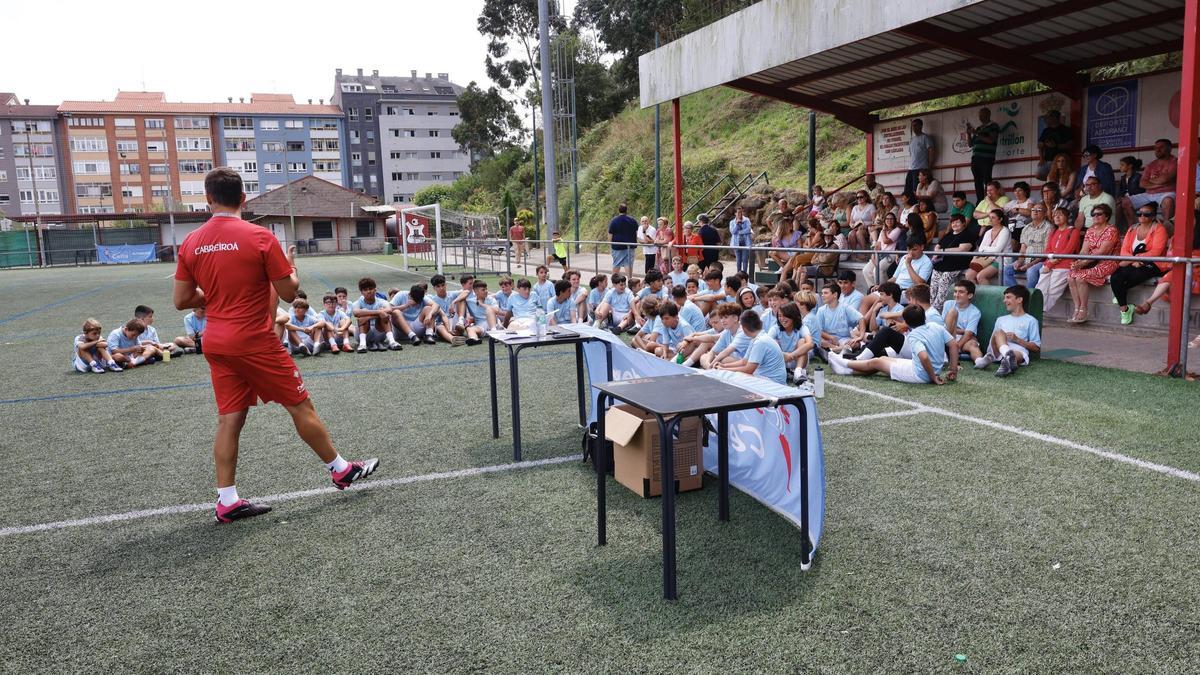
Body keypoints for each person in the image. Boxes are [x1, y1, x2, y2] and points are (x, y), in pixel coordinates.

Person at [173, 167, 377, 523]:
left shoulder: (192, 242)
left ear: (208, 200)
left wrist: (218, 294)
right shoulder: (260, 237)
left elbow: (182, 299)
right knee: (301, 406)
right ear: (243, 199)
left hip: (217, 342)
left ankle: (227, 500)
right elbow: (287, 291)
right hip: (253, 339)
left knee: (229, 420)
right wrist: (292, 270)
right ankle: (340, 469)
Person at [828, 305, 958, 385]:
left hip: (920, 374)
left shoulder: (914, 335)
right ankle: (846, 370)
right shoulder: (935, 326)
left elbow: (923, 357)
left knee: (876, 363)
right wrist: (953, 369)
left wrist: (933, 377)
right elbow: (953, 345)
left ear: (906, 322)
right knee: (882, 360)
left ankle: (844, 363)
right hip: (924, 369)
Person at [1110, 202, 1169, 325]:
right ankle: (1125, 308)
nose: (1142, 216)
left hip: (1155, 263)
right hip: (1132, 261)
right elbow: (1124, 250)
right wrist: (1135, 260)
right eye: (1139, 213)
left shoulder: (1159, 229)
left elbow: (1156, 252)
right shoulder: (1132, 228)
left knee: (1135, 276)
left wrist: (1138, 259)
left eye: (1146, 214)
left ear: (1153, 216)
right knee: (1115, 277)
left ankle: (1119, 293)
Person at [1067, 203, 1120, 323]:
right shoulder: (1090, 230)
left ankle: (1084, 309)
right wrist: (1079, 262)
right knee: (1071, 276)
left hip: (1109, 261)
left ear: (1106, 216)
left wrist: (1083, 262)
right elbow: (1084, 250)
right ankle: (1077, 307)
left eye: (1099, 214)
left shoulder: (1111, 230)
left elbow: (1102, 252)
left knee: (1080, 278)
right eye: (1093, 214)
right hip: (1091, 261)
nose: (1095, 216)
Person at [974, 285, 1041, 377]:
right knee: (999, 332)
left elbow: (1036, 348)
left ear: (1019, 300)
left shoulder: (1031, 321)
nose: (1004, 301)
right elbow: (993, 341)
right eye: (1004, 298)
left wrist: (1017, 340)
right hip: (996, 351)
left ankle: (1007, 363)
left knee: (1016, 354)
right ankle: (1008, 356)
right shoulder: (1001, 319)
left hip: (1018, 352)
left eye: (1008, 297)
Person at [716, 310, 787, 385]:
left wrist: (724, 370)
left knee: (734, 377)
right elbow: (744, 362)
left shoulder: (760, 341)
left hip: (773, 382)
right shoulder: (756, 338)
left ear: (745, 328)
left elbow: (749, 370)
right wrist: (724, 366)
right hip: (766, 378)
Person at [1035, 206, 1083, 311]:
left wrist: (1050, 264)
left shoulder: (1073, 231)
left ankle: (1040, 312)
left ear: (1067, 217)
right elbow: (1047, 250)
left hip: (1064, 265)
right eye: (1055, 215)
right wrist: (1049, 263)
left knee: (1053, 291)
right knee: (1040, 288)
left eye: (1060, 215)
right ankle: (1037, 311)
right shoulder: (1053, 231)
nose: (1057, 217)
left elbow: (1068, 251)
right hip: (1049, 264)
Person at [1126, 138, 1178, 226]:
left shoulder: (1175, 162)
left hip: (1167, 193)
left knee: (1168, 202)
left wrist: (1151, 182)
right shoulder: (1151, 165)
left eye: (1161, 147)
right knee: (1126, 202)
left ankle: (1166, 229)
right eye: (1156, 148)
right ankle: (1133, 228)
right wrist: (1161, 183)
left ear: (1169, 148)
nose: (1158, 150)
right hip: (1149, 194)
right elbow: (1142, 183)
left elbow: (1165, 179)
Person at [929, 214, 975, 310]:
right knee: (934, 282)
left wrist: (942, 251)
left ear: (963, 223)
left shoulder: (968, 234)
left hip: (958, 263)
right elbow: (938, 245)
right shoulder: (948, 234)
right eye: (953, 222)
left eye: (957, 222)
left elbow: (962, 249)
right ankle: (930, 304)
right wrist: (936, 252)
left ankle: (936, 307)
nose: (955, 224)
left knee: (943, 280)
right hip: (943, 263)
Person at [1003, 203, 1052, 289]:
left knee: (1031, 271)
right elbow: (1023, 249)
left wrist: (1029, 265)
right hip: (1026, 261)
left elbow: (1046, 252)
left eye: (1039, 210)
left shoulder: (1049, 228)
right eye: (1033, 210)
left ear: (1044, 214)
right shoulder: (1026, 228)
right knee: (1007, 269)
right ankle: (1017, 293)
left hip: (1041, 261)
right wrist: (1019, 261)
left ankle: (1030, 298)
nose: (1035, 212)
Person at [813, 281, 863, 355]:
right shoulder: (821, 310)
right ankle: (840, 350)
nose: (822, 295)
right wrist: (830, 337)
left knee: (856, 344)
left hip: (843, 339)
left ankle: (832, 351)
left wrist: (861, 336)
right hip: (828, 340)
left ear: (835, 295)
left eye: (826, 293)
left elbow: (861, 319)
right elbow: (818, 330)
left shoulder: (845, 307)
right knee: (819, 341)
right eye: (822, 293)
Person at [353, 278, 402, 351]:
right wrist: (379, 312)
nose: (369, 291)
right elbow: (356, 312)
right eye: (365, 290)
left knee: (384, 316)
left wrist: (371, 316)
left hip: (379, 333)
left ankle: (392, 342)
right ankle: (362, 345)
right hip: (363, 334)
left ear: (375, 290)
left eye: (370, 289)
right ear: (361, 292)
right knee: (363, 315)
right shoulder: (357, 302)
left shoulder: (381, 301)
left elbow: (389, 309)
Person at [769, 301, 813, 381]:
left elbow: (810, 344)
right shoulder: (775, 328)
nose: (782, 319)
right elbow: (766, 344)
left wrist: (791, 355)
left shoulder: (802, 327)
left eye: (785, 316)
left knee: (802, 341)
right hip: (782, 359)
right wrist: (783, 355)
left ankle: (798, 372)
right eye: (779, 316)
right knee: (773, 342)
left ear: (793, 316)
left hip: (798, 360)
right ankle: (784, 370)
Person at [966, 209, 1011, 286]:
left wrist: (985, 248)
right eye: (989, 217)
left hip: (1000, 260)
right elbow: (980, 249)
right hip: (986, 259)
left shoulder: (1005, 231)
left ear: (1000, 219)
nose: (990, 219)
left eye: (993, 217)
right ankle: (976, 295)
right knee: (969, 275)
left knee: (980, 276)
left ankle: (988, 297)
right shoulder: (988, 232)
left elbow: (997, 250)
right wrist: (986, 249)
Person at [942, 279, 983, 364]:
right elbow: (944, 327)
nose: (956, 295)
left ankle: (980, 362)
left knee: (973, 344)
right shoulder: (948, 304)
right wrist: (962, 330)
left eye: (961, 292)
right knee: (952, 312)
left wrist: (957, 348)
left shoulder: (975, 312)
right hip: (946, 337)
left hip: (963, 339)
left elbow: (968, 334)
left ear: (970, 295)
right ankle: (945, 352)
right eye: (955, 291)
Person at [966, 107, 1000, 202]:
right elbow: (970, 144)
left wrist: (976, 133)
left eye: (982, 114)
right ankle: (980, 201)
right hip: (976, 158)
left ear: (988, 114)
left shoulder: (994, 126)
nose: (980, 117)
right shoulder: (979, 128)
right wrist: (969, 134)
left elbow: (991, 140)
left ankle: (990, 199)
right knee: (977, 181)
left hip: (987, 158)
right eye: (979, 115)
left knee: (987, 180)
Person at [385, 283, 431, 348]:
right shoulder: (401, 294)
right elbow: (388, 309)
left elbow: (436, 306)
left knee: (429, 309)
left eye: (418, 302)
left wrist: (429, 315)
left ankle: (429, 335)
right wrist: (405, 306)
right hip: (401, 329)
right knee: (396, 312)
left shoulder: (423, 297)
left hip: (417, 326)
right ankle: (412, 336)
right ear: (409, 294)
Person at [864, 211, 902, 287]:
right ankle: (873, 289)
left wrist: (883, 230)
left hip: (891, 254)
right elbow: (878, 245)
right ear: (884, 221)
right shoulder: (883, 231)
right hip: (880, 254)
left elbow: (886, 241)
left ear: (894, 220)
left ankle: (883, 290)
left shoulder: (897, 229)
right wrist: (874, 255)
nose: (889, 221)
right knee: (866, 270)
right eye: (887, 219)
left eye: (891, 219)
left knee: (877, 270)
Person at [1036, 110, 1073, 180]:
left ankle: (1054, 183)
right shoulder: (1046, 131)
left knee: (1060, 177)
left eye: (1047, 117)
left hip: (1061, 160)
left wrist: (1055, 146)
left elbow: (1070, 145)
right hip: (1047, 159)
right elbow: (1040, 146)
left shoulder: (1066, 130)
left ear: (1054, 118)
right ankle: (1052, 182)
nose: (1046, 119)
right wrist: (1041, 158)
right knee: (1038, 174)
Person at [905, 118, 936, 195]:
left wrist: (929, 167)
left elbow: (931, 151)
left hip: (921, 169)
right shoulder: (912, 139)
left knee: (917, 191)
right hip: (911, 168)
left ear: (921, 126)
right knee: (907, 190)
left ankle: (918, 206)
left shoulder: (925, 137)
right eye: (913, 126)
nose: (914, 128)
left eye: (916, 125)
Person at [607, 202, 639, 274]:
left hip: (618, 247)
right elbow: (637, 233)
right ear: (626, 210)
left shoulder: (614, 221)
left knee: (616, 264)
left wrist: (611, 245)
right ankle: (629, 281)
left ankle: (615, 281)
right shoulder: (632, 220)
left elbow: (610, 234)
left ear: (619, 210)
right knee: (628, 264)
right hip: (630, 246)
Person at [1116, 156, 1146, 227]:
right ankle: (1115, 228)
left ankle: (1133, 225)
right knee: (1118, 206)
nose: (1120, 167)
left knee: (1124, 204)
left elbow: (1141, 191)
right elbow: (1121, 191)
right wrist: (1120, 197)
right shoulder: (1123, 178)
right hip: (1125, 200)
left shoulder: (1138, 177)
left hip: (1135, 199)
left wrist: (1128, 196)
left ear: (1130, 166)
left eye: (1122, 165)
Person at [1003, 181, 1034, 248]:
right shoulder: (1012, 202)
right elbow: (1001, 210)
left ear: (1025, 192)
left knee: (1011, 244)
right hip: (1011, 227)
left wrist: (1017, 210)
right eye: (1015, 191)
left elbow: (1029, 212)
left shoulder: (1030, 200)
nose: (1017, 193)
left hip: (1023, 227)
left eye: (1020, 190)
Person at [848, 190, 875, 256]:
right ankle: (853, 254)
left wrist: (865, 225)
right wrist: (853, 226)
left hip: (867, 229)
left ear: (866, 197)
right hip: (856, 227)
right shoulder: (855, 208)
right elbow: (851, 222)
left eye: (861, 197)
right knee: (851, 233)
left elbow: (874, 221)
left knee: (859, 233)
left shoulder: (871, 206)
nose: (859, 199)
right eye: (857, 197)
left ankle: (864, 254)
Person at [729, 206, 753, 274]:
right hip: (736, 243)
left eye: (741, 212)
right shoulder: (732, 222)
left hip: (745, 243)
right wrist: (736, 224)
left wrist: (739, 232)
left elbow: (749, 230)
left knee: (745, 260)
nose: (740, 214)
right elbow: (732, 232)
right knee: (738, 260)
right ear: (735, 213)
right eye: (739, 212)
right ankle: (738, 274)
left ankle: (744, 274)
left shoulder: (746, 220)